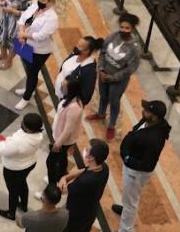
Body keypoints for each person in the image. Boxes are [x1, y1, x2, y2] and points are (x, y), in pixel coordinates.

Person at [106, 100, 171, 232]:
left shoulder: (155, 139)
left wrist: (128, 159)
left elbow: (147, 164)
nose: (143, 111)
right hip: (132, 168)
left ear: (154, 117)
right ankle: (125, 210)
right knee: (128, 197)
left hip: (136, 172)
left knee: (131, 202)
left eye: (147, 110)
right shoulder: (150, 121)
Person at [56, 139, 109, 232]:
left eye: (87, 148)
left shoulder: (86, 182)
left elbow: (64, 190)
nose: (84, 150)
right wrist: (67, 176)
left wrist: (62, 180)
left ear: (91, 157)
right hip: (90, 211)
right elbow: (82, 171)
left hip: (76, 214)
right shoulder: (103, 167)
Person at [87, 13, 142, 141]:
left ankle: (111, 125)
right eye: (122, 27)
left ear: (132, 28)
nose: (123, 30)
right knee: (103, 95)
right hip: (104, 73)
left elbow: (131, 68)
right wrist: (100, 68)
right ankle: (100, 114)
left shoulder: (135, 48)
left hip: (118, 80)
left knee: (114, 101)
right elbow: (103, 52)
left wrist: (113, 77)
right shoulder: (113, 36)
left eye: (127, 28)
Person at [13, 0, 59, 110]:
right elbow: (23, 18)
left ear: (50, 3)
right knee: (28, 69)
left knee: (33, 73)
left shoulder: (52, 18)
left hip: (39, 50)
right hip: (25, 43)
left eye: (43, 0)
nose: (40, 0)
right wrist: (22, 32)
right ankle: (28, 88)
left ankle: (26, 97)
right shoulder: (34, 6)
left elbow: (42, 36)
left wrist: (25, 36)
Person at [0, 112, 44, 220]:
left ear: (27, 128)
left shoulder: (20, 141)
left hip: (14, 168)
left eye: (24, 123)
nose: (21, 123)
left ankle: (11, 213)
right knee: (22, 183)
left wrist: (3, 141)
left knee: (13, 191)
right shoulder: (38, 135)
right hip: (29, 164)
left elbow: (4, 151)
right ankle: (23, 205)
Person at [45, 79, 83, 188]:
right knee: (61, 159)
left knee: (51, 162)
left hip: (63, 140)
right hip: (60, 137)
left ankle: (52, 186)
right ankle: (61, 175)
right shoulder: (69, 99)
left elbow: (68, 130)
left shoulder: (74, 108)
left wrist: (58, 143)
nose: (62, 88)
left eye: (64, 86)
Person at [55, 36, 102, 105]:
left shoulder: (89, 71)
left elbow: (86, 95)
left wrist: (69, 101)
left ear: (88, 51)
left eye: (80, 46)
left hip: (67, 100)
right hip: (60, 92)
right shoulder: (74, 54)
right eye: (78, 44)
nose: (76, 47)